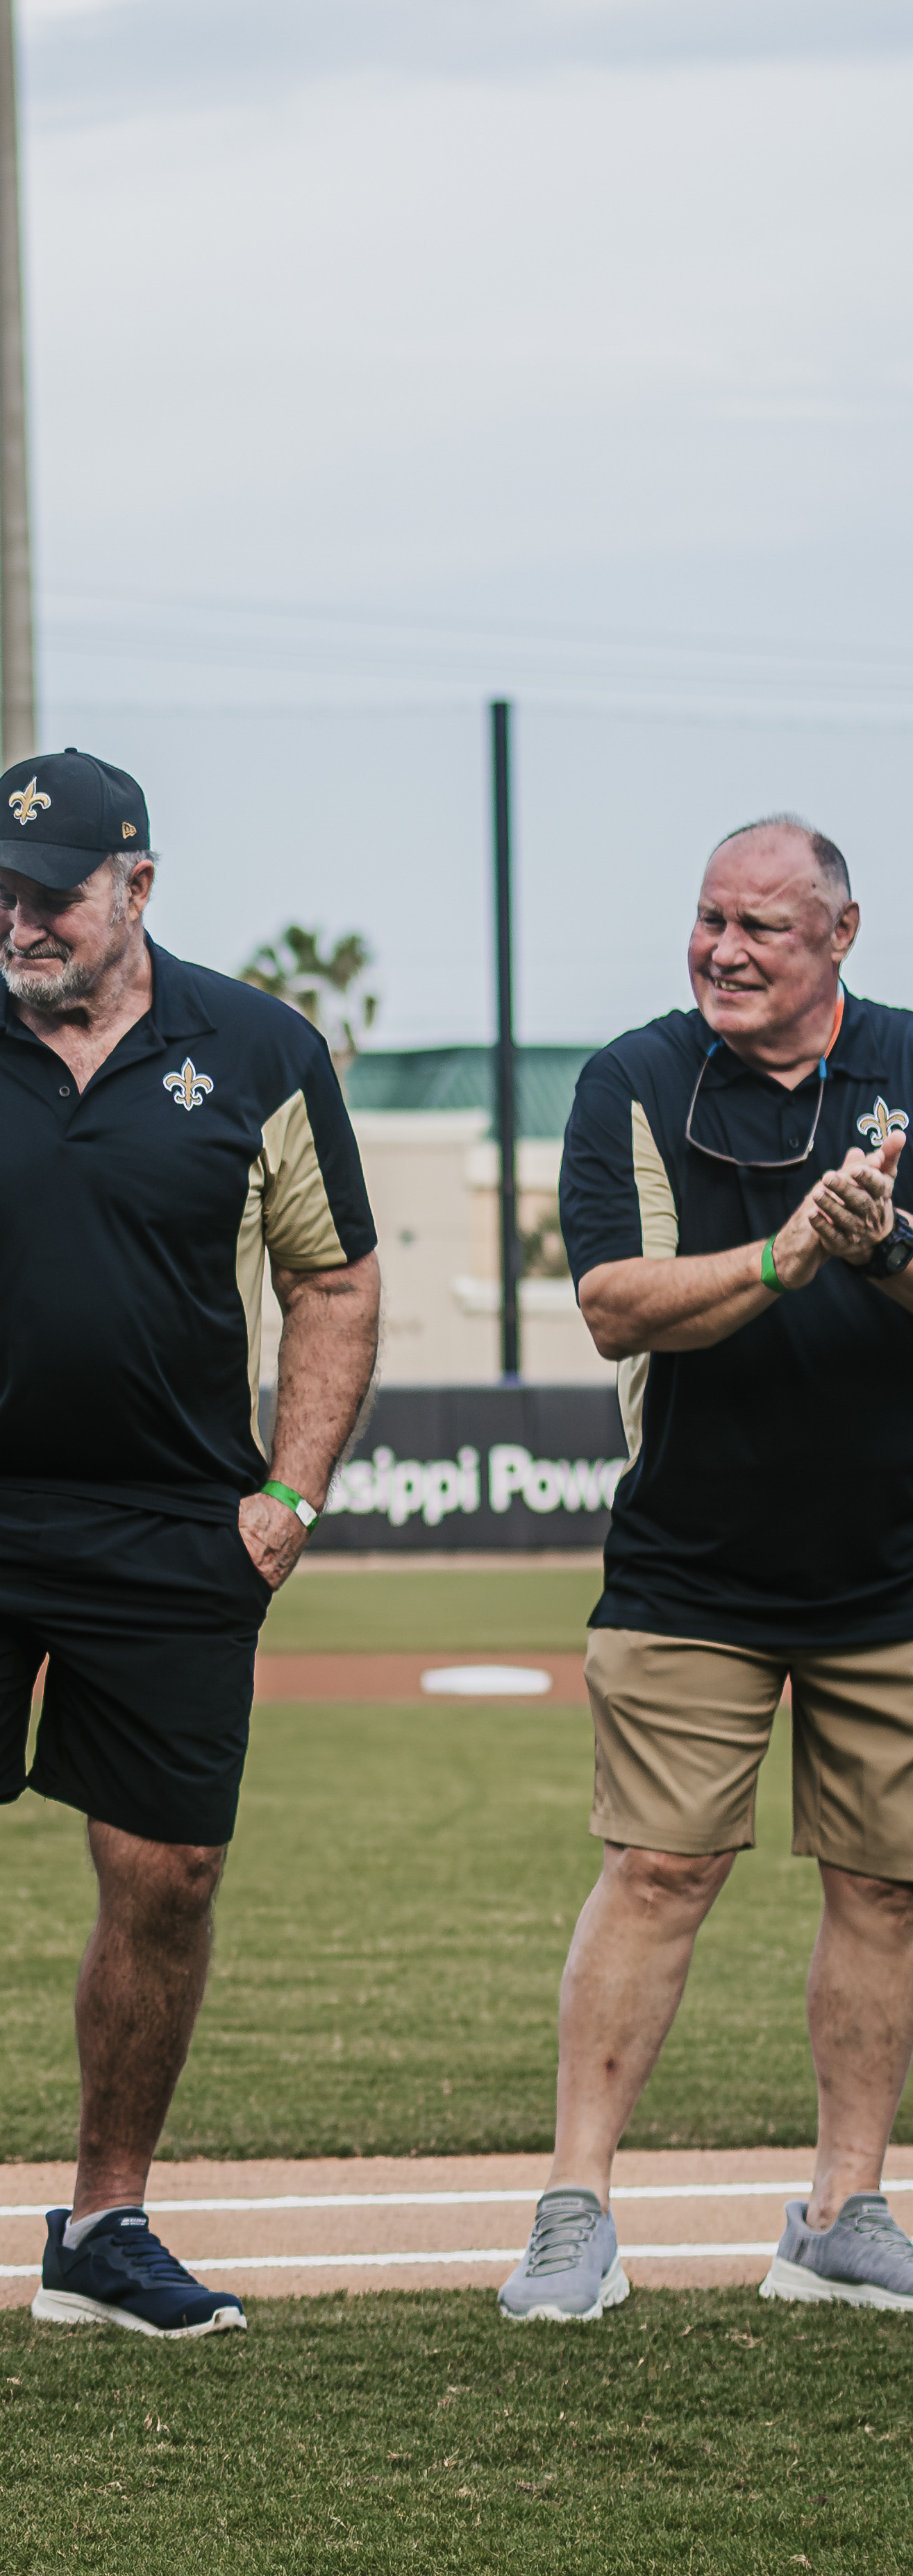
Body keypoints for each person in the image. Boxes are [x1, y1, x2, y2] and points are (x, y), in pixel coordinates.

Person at [0, 747, 380, 2349]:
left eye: (55, 892)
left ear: (138, 885)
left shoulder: (262, 1048)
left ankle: (106, 2224)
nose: (21, 918)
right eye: (4, 891)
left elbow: (333, 1280)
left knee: (167, 1873)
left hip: (176, 1525)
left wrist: (289, 1499)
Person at [500, 815, 913, 2323]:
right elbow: (614, 1301)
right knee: (659, 1870)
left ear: (841, 937)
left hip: (895, 1569)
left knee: (888, 1888)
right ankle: (575, 2213)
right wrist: (788, 1254)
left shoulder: (909, 1063)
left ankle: (845, 2214)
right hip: (691, 1561)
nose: (723, 952)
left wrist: (884, 1249)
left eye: (762, 928)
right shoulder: (634, 1078)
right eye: (708, 920)